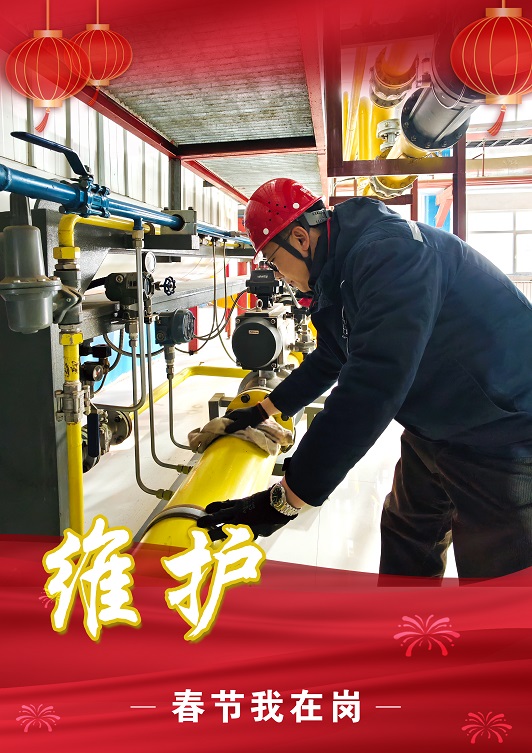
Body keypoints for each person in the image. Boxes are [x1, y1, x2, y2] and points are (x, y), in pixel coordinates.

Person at [197, 178, 532, 579]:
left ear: (300, 238)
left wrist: (285, 499)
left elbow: (373, 383)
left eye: (273, 260)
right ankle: (405, 621)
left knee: (495, 571)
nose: (278, 275)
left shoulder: (391, 253)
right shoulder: (340, 269)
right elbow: (332, 355)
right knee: (408, 536)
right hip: (438, 421)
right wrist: (260, 412)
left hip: (502, 429)